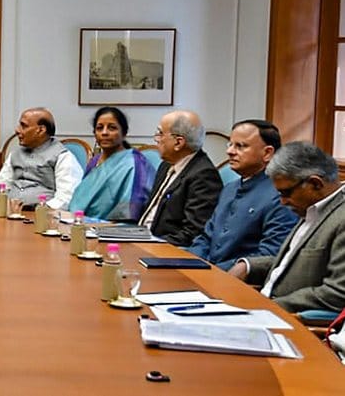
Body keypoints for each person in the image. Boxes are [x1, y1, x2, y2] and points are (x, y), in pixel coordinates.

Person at [228, 142, 345, 313]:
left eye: (286, 193)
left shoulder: (340, 218)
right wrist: (248, 265)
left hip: (289, 320)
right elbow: (293, 263)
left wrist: (267, 307)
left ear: (315, 184)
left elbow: (336, 293)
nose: (282, 202)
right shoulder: (312, 208)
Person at [185, 120, 297, 270]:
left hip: (238, 281)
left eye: (240, 146)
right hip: (205, 272)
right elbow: (206, 238)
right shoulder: (229, 189)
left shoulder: (281, 195)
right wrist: (187, 263)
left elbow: (269, 255)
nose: (230, 151)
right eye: (230, 144)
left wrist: (212, 272)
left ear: (267, 153)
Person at [138, 110, 222, 246]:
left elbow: (192, 233)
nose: (156, 139)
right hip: (143, 238)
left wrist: (151, 244)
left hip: (165, 250)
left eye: (160, 133)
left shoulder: (204, 175)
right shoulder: (166, 165)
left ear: (178, 142)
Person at [68, 107, 155, 221]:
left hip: (116, 232)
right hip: (79, 225)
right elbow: (80, 201)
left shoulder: (135, 164)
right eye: (99, 128)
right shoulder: (95, 161)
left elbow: (130, 213)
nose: (104, 133)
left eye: (112, 128)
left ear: (124, 133)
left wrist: (87, 222)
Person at [0, 107, 82, 210]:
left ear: (41, 130)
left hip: (41, 217)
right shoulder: (15, 154)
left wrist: (41, 211)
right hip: (9, 213)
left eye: (23, 126)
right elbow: (0, 185)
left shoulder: (63, 156)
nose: (17, 130)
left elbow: (66, 197)